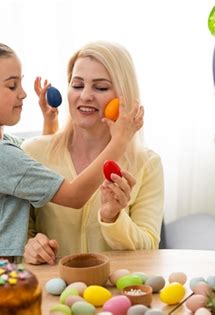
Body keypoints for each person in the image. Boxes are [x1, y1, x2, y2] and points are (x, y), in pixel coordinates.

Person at [0, 36, 143, 293]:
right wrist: (120, 142)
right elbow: (74, 195)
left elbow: (32, 163)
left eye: (21, 83)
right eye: (12, 86)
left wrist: (50, 125)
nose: (23, 93)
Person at [22, 41, 164, 265]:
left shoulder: (147, 163)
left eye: (100, 88)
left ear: (123, 97)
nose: (85, 96)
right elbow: (17, 236)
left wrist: (114, 218)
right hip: (52, 293)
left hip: (116, 293)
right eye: (77, 85)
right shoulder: (33, 152)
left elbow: (149, 249)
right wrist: (29, 247)